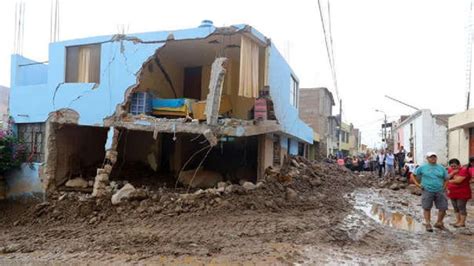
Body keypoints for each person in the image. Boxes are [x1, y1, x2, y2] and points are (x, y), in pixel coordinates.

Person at [412, 152, 449, 232]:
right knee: (427, 207)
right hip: (427, 190)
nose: (433, 158)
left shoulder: (441, 168)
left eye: (434, 157)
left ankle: (439, 223)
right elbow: (413, 175)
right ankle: (428, 223)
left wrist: (444, 187)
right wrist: (417, 184)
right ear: (427, 158)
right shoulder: (422, 167)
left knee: (443, 207)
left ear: (436, 158)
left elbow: (446, 178)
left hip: (440, 190)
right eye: (431, 157)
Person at [447, 158, 472, 228]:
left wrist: (449, 180)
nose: (453, 167)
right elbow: (446, 177)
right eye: (452, 166)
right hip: (452, 192)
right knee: (455, 207)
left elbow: (458, 181)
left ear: (459, 165)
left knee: (461, 206)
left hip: (462, 192)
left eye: (455, 166)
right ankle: (458, 221)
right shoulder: (450, 170)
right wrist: (452, 174)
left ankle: (462, 222)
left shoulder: (464, 170)